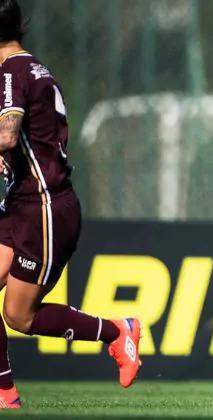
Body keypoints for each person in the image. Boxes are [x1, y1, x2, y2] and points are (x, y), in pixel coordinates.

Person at [0, 0, 142, 409]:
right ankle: (6, 394)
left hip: (43, 208)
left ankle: (117, 332)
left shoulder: (12, 72)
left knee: (20, 317)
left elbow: (8, 134)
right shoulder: (31, 67)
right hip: (22, 204)